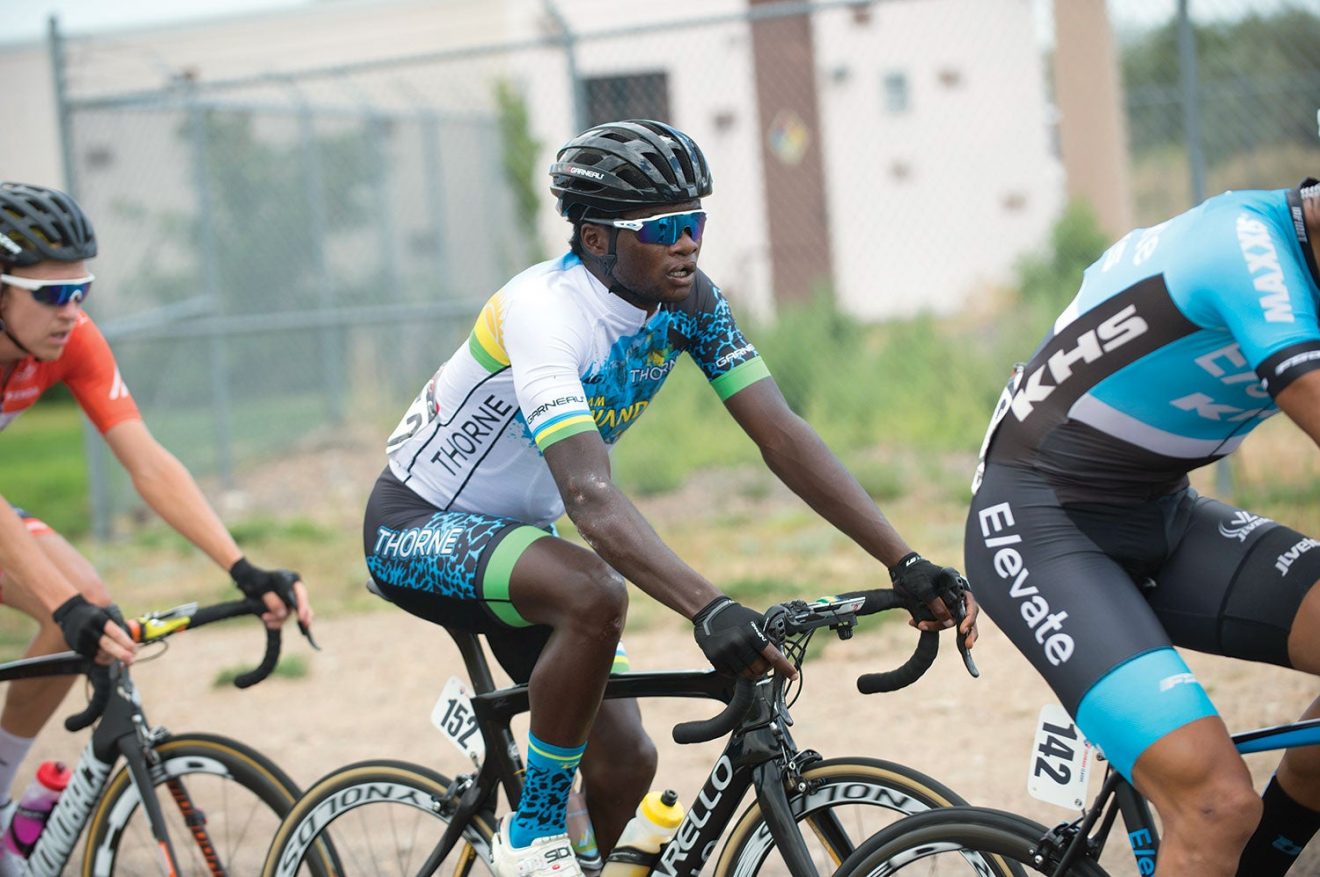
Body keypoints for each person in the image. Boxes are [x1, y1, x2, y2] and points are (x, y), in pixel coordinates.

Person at [364, 118, 976, 877]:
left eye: (696, 223)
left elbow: (781, 434)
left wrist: (903, 560)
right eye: (662, 228)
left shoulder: (689, 301)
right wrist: (708, 607)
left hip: (519, 538)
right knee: (594, 591)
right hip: (416, 526)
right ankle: (533, 833)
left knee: (628, 762)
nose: (687, 244)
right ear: (596, 239)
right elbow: (590, 498)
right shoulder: (543, 312)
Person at [965, 177, 1320, 876]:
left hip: (1164, 511)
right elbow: (1306, 388)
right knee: (1214, 804)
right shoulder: (1246, 243)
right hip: (1040, 525)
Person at [0, 182, 314, 819]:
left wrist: (241, 567)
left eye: (81, 291)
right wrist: (61, 602)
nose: (71, 311)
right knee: (69, 604)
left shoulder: (71, 340)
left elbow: (147, 462)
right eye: (53, 294)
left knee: (86, 603)